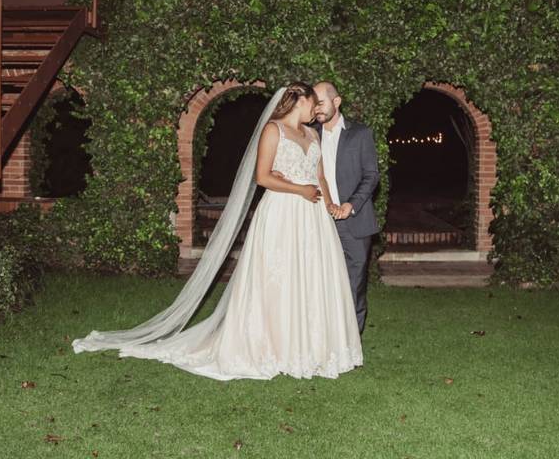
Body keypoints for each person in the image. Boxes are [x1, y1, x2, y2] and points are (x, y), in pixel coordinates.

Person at [72, 82, 363, 380]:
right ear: (299, 99)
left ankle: (311, 347)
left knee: (311, 277)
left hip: (313, 216)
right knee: (279, 276)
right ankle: (275, 345)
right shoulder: (273, 130)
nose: (315, 109)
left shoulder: (312, 133)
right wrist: (297, 188)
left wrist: (328, 204)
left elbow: (320, 176)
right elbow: (262, 177)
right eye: (312, 102)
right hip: (283, 212)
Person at [311, 82, 380, 334]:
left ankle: (350, 343)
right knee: (319, 284)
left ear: (336, 102)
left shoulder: (360, 133)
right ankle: (322, 338)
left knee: (354, 285)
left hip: (354, 223)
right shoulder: (308, 134)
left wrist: (351, 205)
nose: (316, 108)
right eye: (313, 103)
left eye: (321, 102)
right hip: (317, 220)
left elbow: (371, 175)